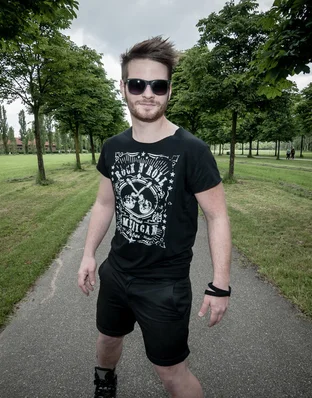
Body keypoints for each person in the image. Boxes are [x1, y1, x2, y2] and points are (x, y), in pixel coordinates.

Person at [77, 36, 232, 398]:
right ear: (123, 88)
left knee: (171, 372)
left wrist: (220, 284)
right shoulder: (113, 147)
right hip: (116, 273)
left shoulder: (192, 150)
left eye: (158, 85)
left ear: (168, 91)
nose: (148, 93)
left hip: (165, 285)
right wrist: (88, 254)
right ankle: (105, 383)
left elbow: (218, 216)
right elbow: (104, 204)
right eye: (137, 83)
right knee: (107, 337)